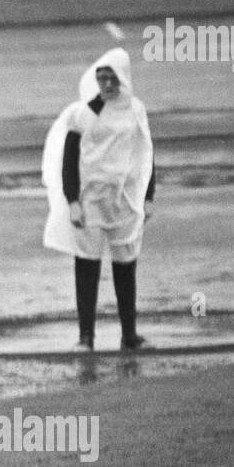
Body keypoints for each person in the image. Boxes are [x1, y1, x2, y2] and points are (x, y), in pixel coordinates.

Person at [42, 48, 156, 351]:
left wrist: (148, 196)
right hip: (91, 201)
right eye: (101, 78)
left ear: (122, 79)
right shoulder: (84, 113)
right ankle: (86, 337)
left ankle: (129, 335)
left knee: (125, 266)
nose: (106, 84)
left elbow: (145, 154)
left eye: (111, 78)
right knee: (87, 266)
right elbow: (68, 159)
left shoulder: (136, 110)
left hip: (125, 202)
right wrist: (73, 201)